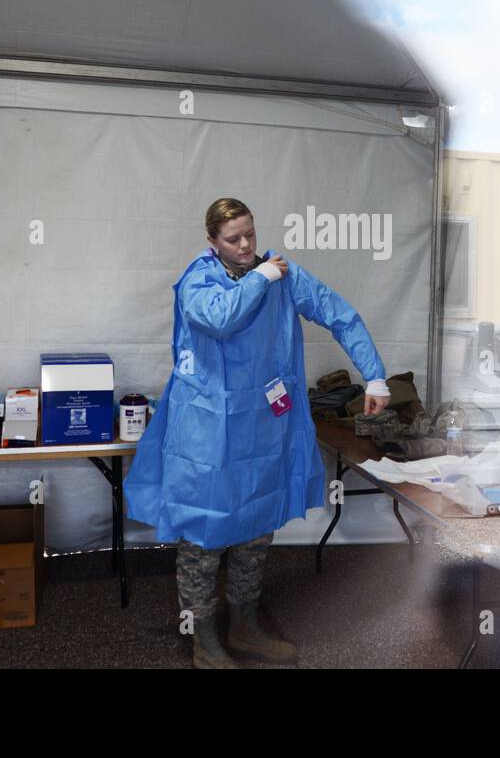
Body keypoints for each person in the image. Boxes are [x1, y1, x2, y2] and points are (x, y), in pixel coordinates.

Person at [124, 197, 391, 668]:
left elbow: (339, 313)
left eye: (250, 233)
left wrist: (374, 376)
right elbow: (220, 319)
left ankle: (244, 626)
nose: (246, 245)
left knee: (255, 527)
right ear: (212, 241)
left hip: (263, 427)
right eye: (233, 239)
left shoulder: (282, 275)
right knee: (204, 534)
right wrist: (260, 278)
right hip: (206, 433)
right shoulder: (200, 280)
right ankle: (204, 640)